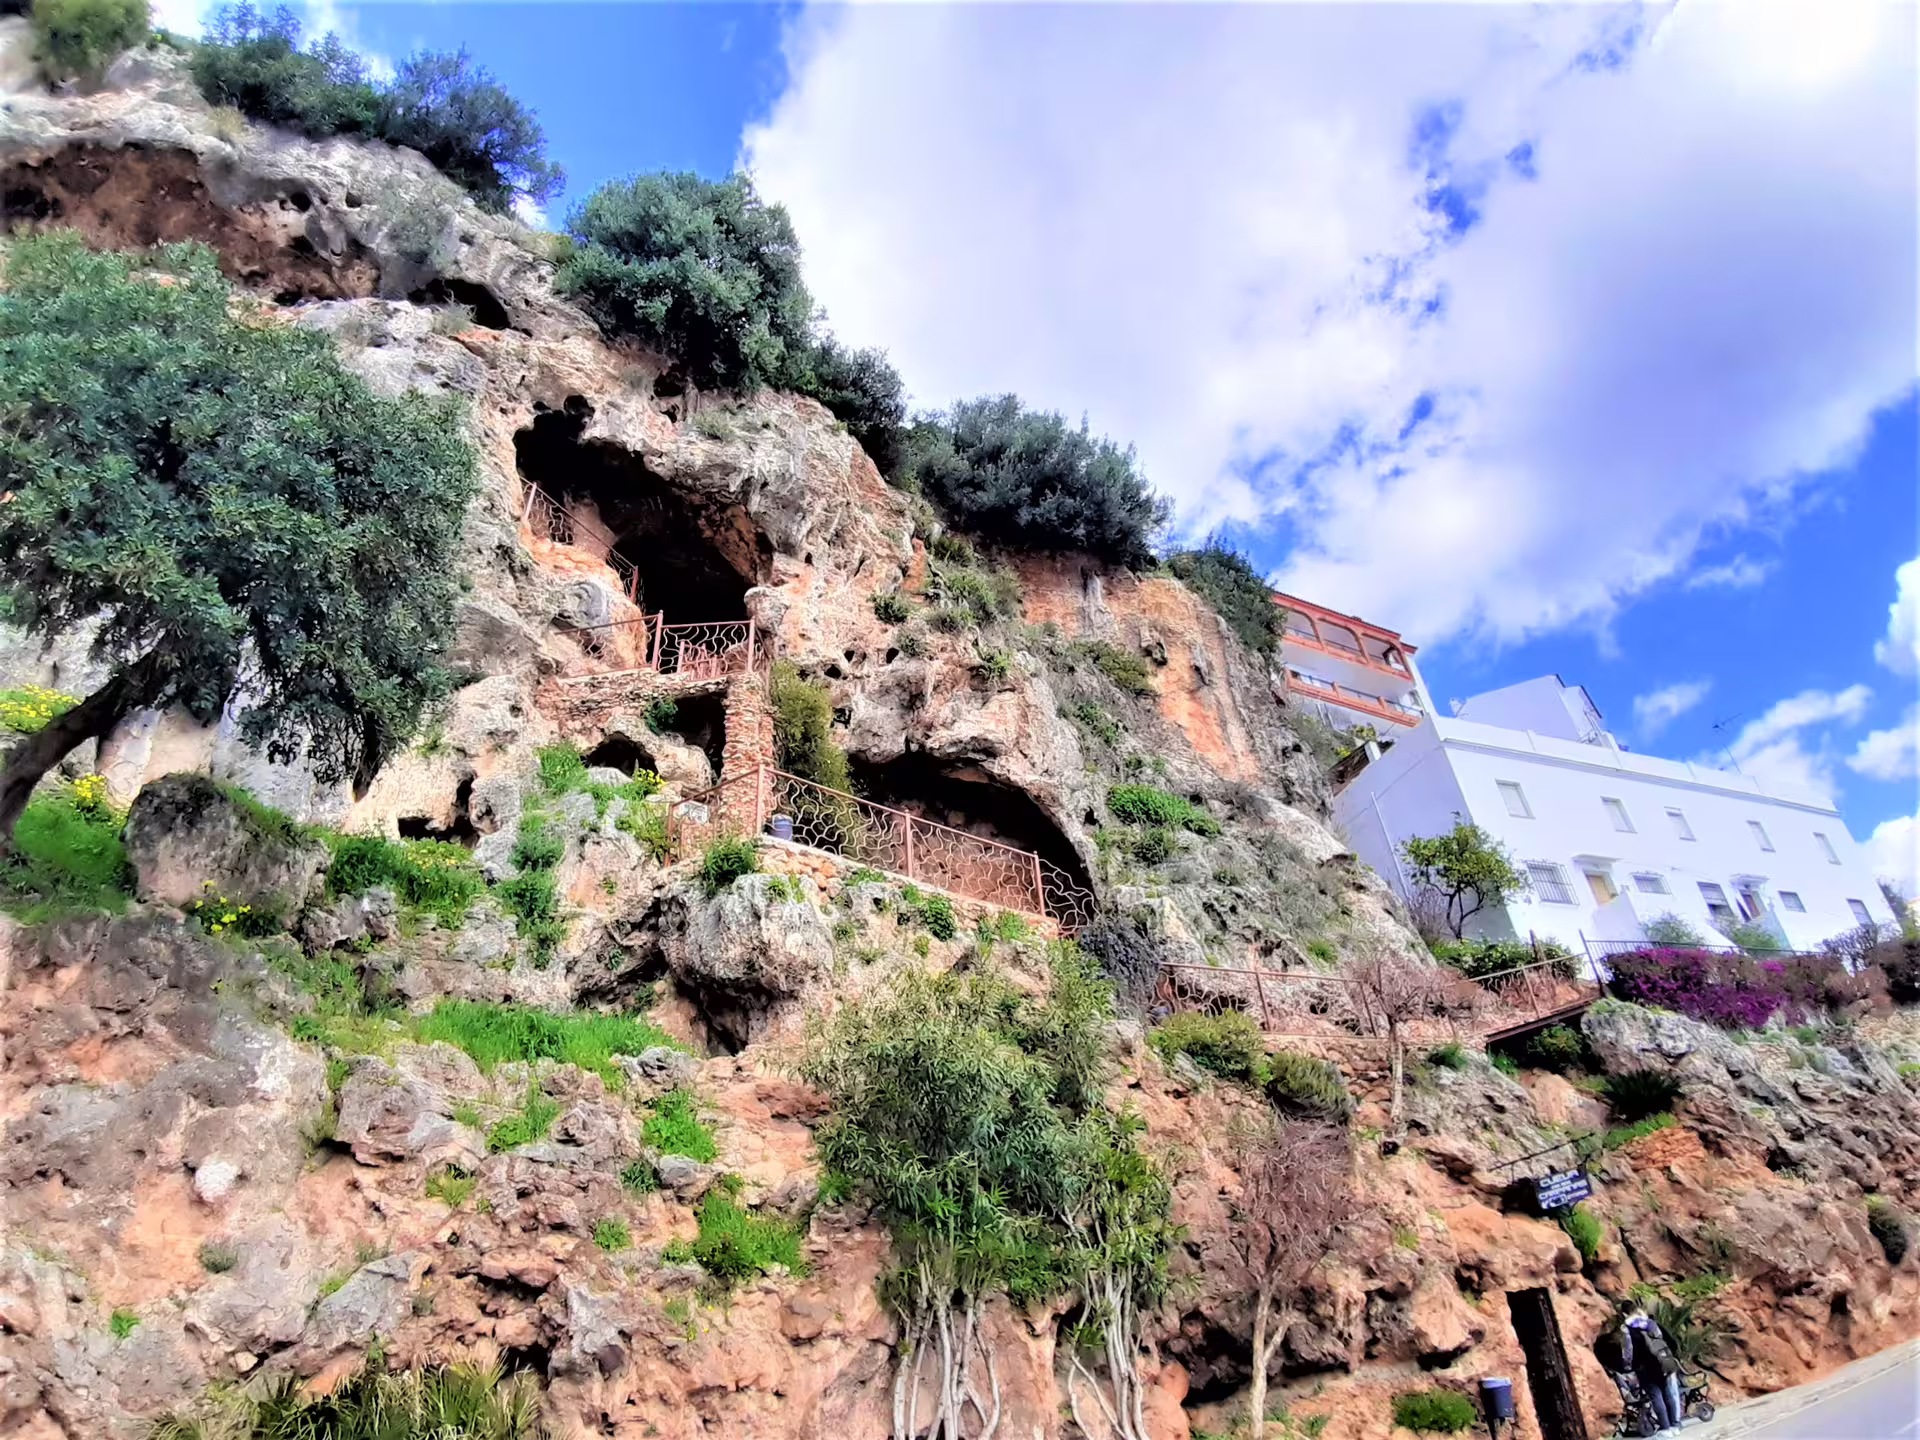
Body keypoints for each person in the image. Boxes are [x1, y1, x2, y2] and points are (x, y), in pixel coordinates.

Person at [1625, 1302, 1685, 1432]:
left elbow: (1628, 1353)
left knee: (1656, 1396)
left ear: (1625, 1314)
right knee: (1671, 1393)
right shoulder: (1652, 1324)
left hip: (1645, 1368)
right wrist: (1671, 1356)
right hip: (1665, 1362)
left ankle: (1666, 1428)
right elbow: (1671, 1341)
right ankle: (1676, 1424)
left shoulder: (1628, 1329)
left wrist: (1632, 1366)